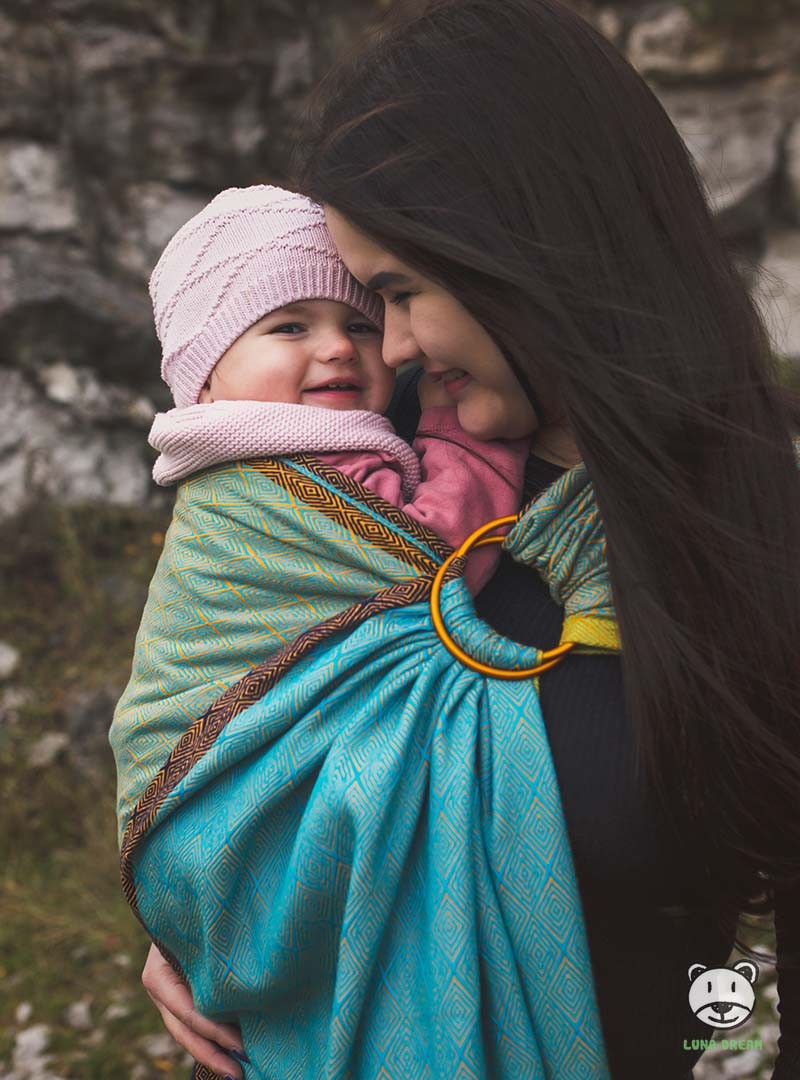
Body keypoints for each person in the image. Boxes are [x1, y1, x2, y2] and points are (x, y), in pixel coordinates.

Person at [135, 1, 800, 1078]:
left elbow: (745, 975)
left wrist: (690, 1036)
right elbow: (227, 715)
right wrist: (219, 915)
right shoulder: (368, 480)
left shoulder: (753, 544)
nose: (381, 347)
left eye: (395, 294)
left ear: (519, 252)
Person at [145, 183, 531, 598]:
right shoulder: (305, 459)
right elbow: (435, 565)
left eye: (361, 327)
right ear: (203, 380)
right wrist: (455, 428)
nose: (340, 348)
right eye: (290, 328)